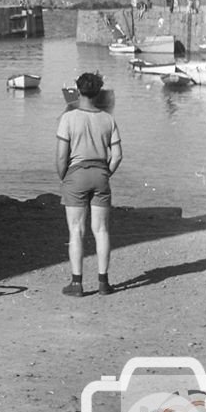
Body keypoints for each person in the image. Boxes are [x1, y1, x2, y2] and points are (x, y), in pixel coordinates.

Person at [55, 71, 123, 298]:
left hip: (76, 174)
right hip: (100, 174)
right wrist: (106, 173)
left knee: (76, 230)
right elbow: (117, 156)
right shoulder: (108, 119)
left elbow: (61, 156)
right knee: (101, 230)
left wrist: (64, 177)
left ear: (78, 89)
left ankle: (77, 283)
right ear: (98, 92)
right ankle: (104, 282)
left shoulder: (68, 118)